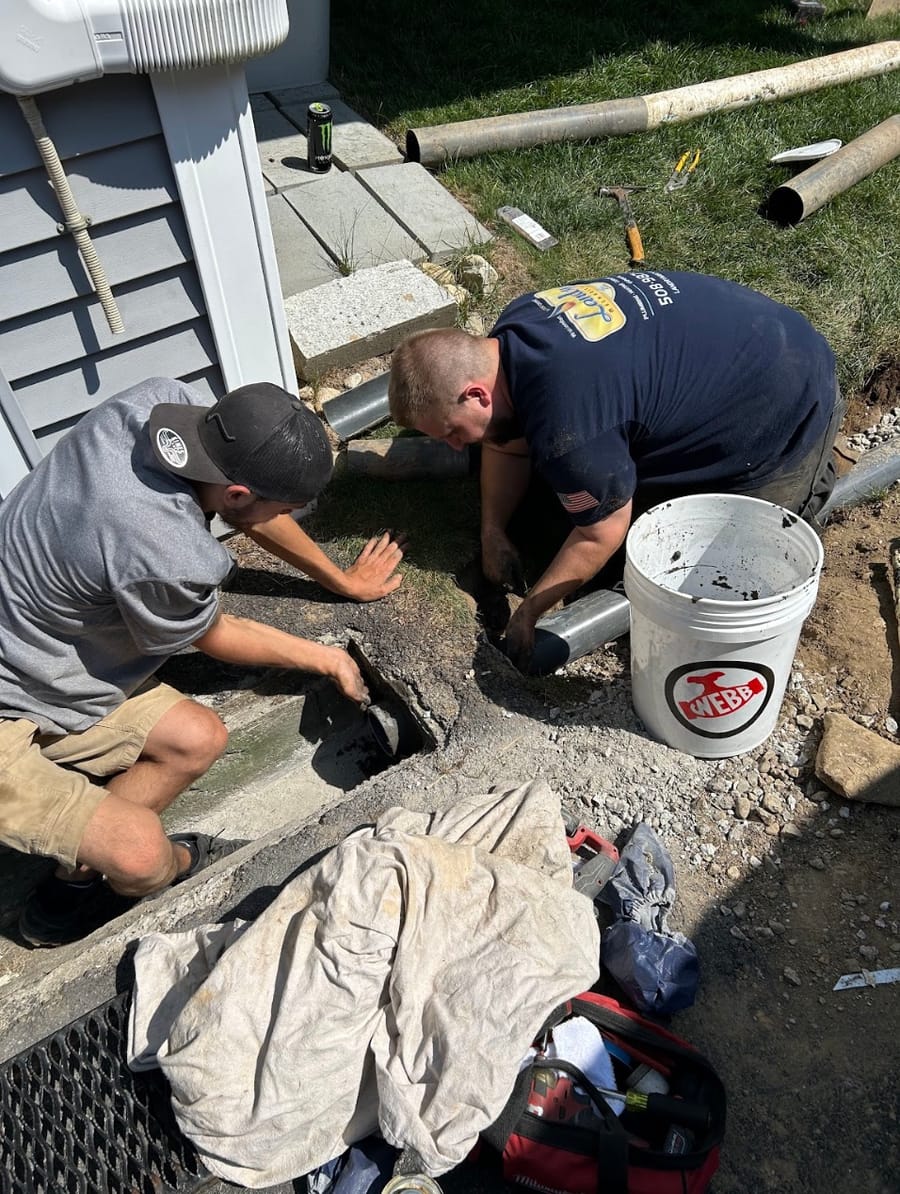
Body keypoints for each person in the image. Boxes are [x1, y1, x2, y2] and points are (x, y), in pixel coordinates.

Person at [0, 377, 403, 947]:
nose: (286, 516)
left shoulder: (161, 405)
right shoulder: (163, 547)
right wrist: (326, 657)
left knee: (198, 739)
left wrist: (341, 580)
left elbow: (250, 508)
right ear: (236, 495)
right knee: (142, 856)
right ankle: (179, 865)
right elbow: (215, 634)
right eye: (286, 508)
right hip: (12, 701)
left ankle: (71, 885)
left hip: (37, 655)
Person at [388, 270, 843, 669]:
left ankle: (810, 480)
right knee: (575, 490)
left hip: (786, 397)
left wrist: (529, 612)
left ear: (477, 394)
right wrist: (493, 530)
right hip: (736, 335)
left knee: (713, 560)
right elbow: (507, 443)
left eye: (451, 432)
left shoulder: (570, 428)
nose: (455, 445)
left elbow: (599, 533)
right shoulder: (514, 329)